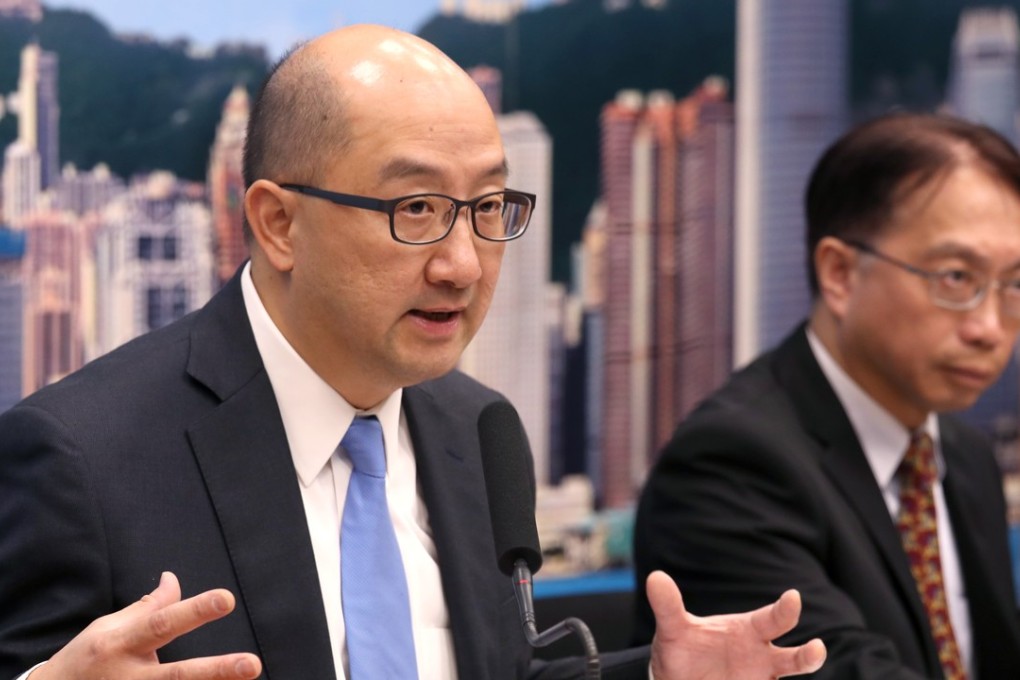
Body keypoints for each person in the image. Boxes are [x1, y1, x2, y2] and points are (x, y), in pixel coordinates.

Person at [0, 24, 826, 680]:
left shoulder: (476, 427)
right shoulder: (85, 461)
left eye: (490, 206)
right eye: (418, 208)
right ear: (278, 223)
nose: (462, 264)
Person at [633, 112, 1020, 679]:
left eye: (1013, 284)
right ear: (840, 273)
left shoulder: (960, 455)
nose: (989, 327)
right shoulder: (730, 464)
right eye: (957, 278)